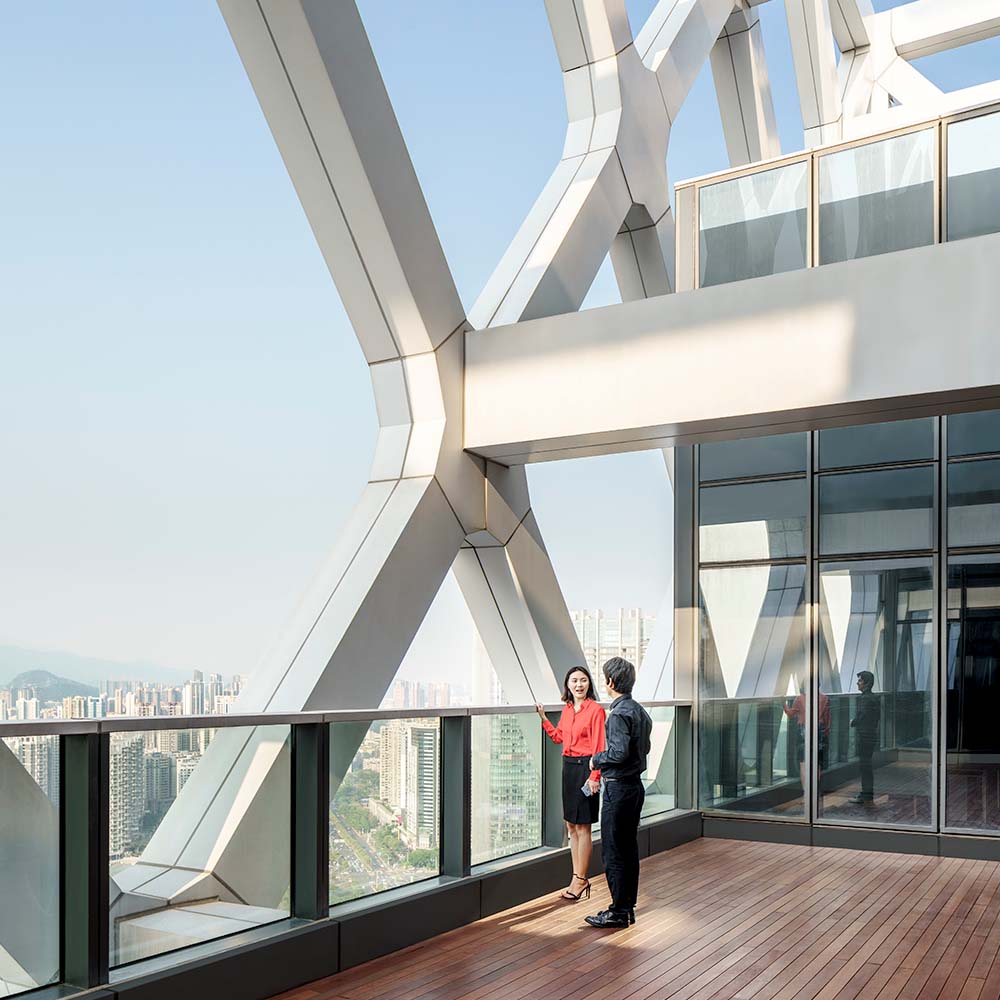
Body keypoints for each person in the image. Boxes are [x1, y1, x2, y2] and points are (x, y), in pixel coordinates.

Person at [584, 657, 652, 929]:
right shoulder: (640, 712)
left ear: (610, 682)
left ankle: (618, 912)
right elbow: (642, 750)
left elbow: (619, 752)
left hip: (619, 789)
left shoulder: (618, 714)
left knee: (613, 851)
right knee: (628, 849)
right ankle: (627, 907)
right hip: (635, 787)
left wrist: (596, 760)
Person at [535, 666, 606, 902]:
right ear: (567, 684)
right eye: (574, 680)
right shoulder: (567, 710)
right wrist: (544, 719)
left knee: (584, 826)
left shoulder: (595, 710)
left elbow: (599, 746)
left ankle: (582, 879)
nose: (579, 685)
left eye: (583, 680)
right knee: (571, 826)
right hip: (568, 767)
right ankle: (575, 877)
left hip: (586, 767)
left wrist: (595, 776)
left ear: (589, 684)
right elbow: (558, 738)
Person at [782, 683, 831, 789]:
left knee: (803, 763)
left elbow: (790, 714)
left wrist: (784, 704)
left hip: (803, 731)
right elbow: (827, 719)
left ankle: (806, 794)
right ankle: (815, 791)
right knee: (817, 763)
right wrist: (826, 732)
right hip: (819, 730)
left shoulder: (799, 699)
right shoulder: (825, 698)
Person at [850, 670, 880, 806]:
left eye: (860, 680)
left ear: (867, 683)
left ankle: (866, 795)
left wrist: (852, 722)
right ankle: (867, 794)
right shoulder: (875, 698)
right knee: (867, 766)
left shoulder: (864, 698)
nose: (858, 683)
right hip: (872, 735)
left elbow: (861, 716)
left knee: (864, 766)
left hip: (865, 736)